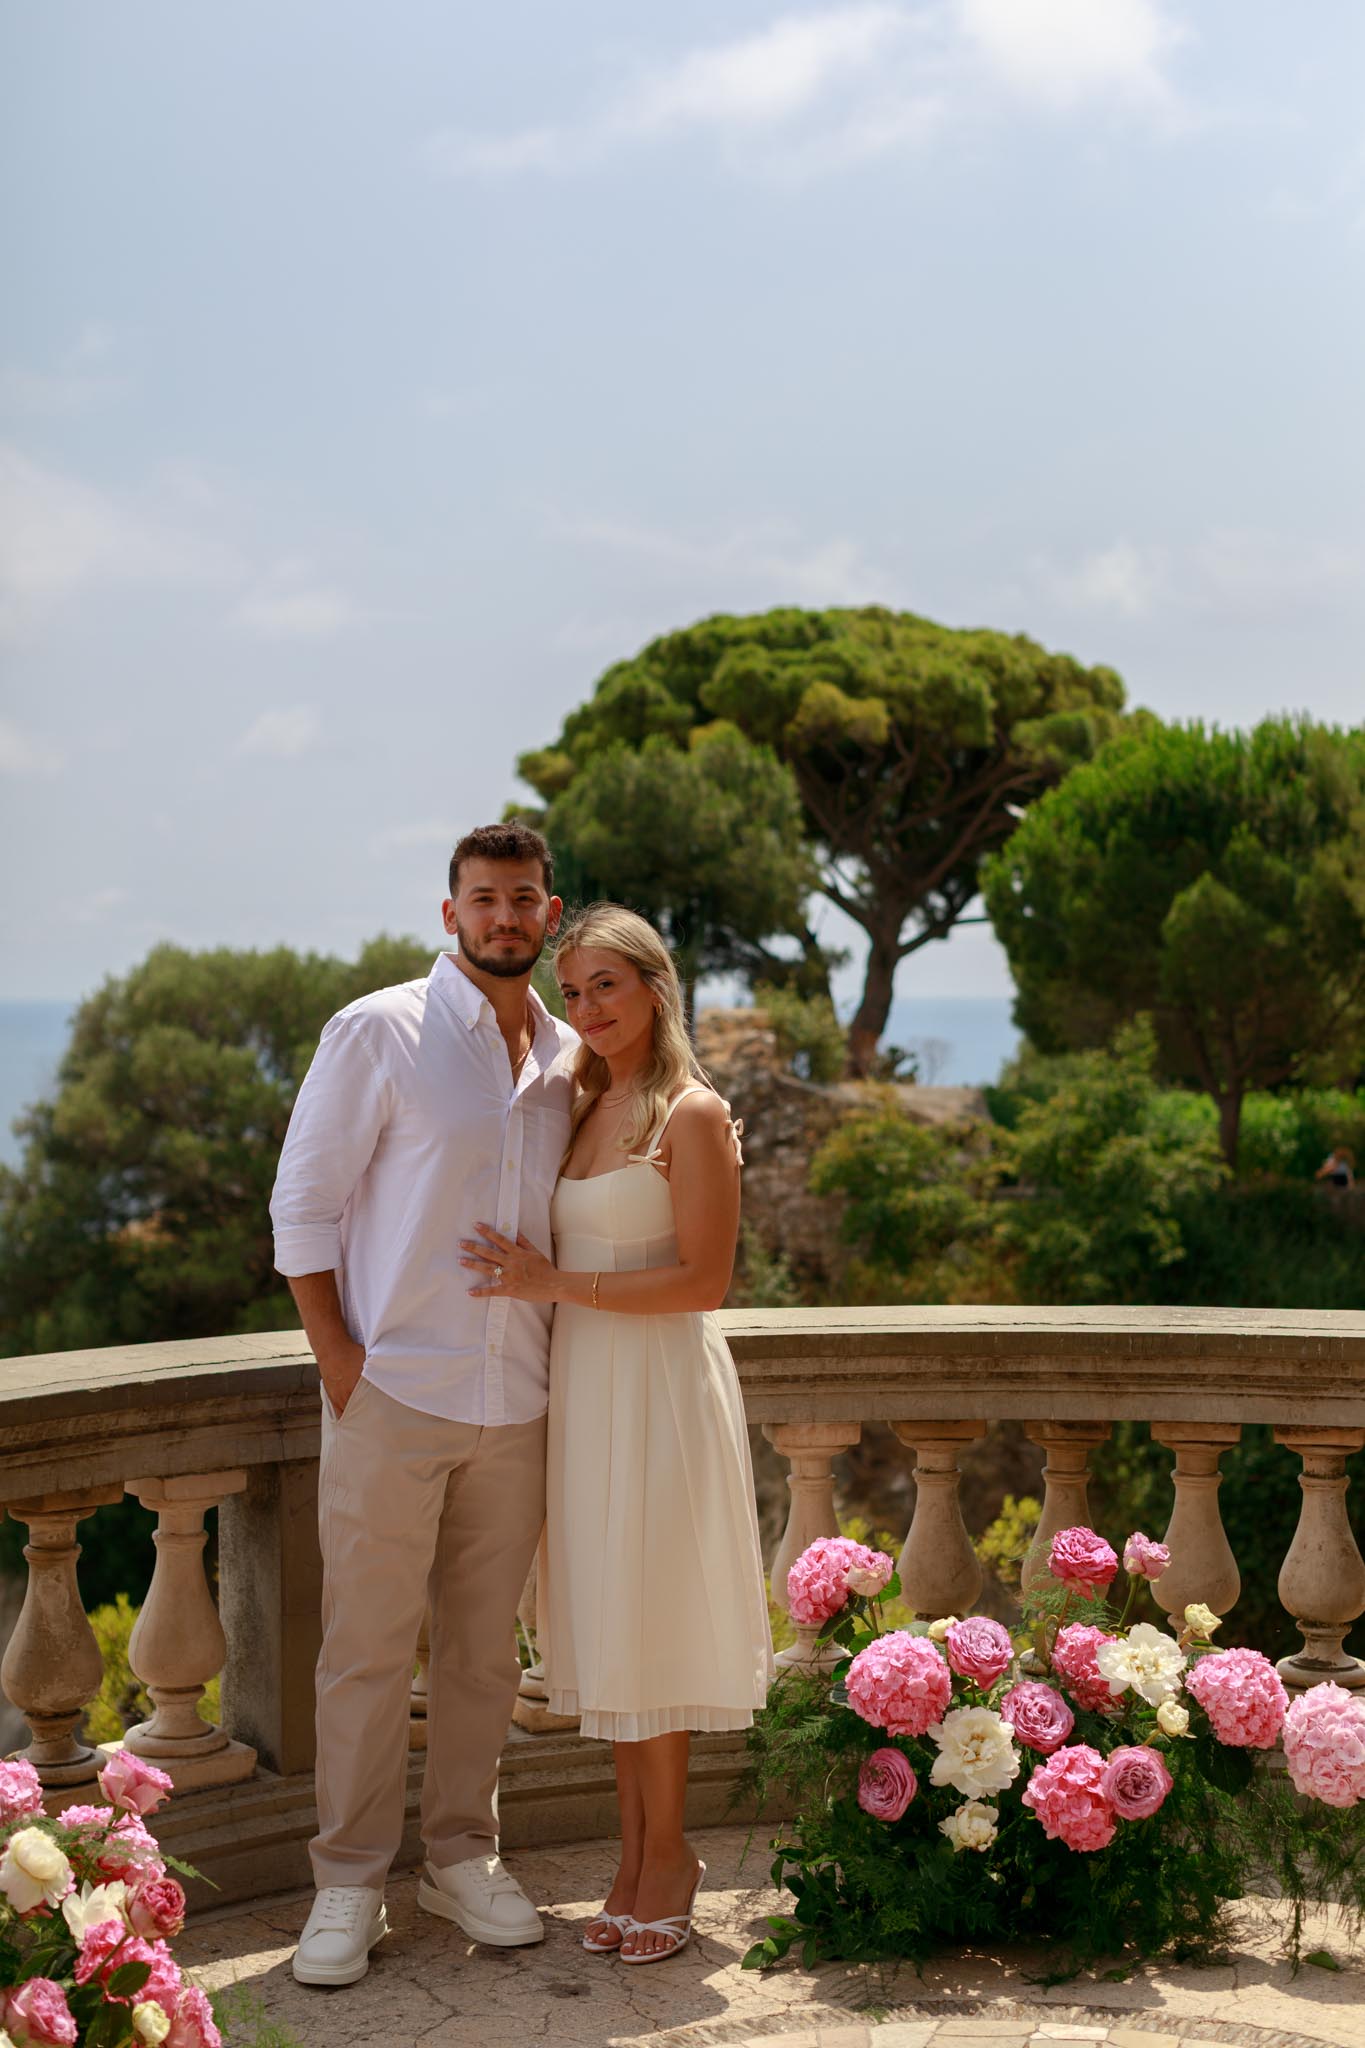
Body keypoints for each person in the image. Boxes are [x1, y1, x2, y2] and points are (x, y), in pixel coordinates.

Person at [269, 821, 578, 1986]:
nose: (505, 916)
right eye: (484, 898)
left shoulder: (567, 1056)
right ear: (451, 914)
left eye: (524, 897)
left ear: (550, 914)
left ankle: (461, 1854)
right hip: (394, 1390)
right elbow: (303, 1205)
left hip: (519, 1397)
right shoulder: (379, 1029)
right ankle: (348, 1880)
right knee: (365, 1649)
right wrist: (341, 1362)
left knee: (484, 1654)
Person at [461, 902, 773, 1965]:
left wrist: (553, 1282)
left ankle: (668, 1858)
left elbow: (705, 1280)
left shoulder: (693, 1111)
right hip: (585, 1389)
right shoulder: (580, 1102)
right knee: (612, 1621)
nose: (589, 1007)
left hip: (660, 1388)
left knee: (655, 1615)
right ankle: (634, 1856)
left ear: (654, 987)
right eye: (574, 989)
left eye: (608, 984)